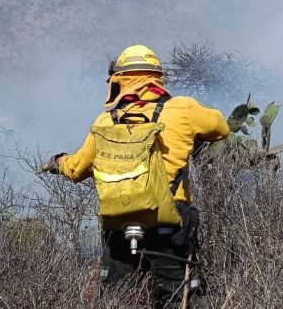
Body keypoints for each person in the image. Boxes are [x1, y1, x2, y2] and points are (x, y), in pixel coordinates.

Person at [41, 45, 229, 308]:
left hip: (119, 222)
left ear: (119, 80)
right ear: (157, 76)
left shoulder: (106, 122)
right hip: (168, 220)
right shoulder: (183, 109)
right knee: (179, 297)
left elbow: (76, 169)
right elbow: (221, 127)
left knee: (117, 299)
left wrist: (58, 162)